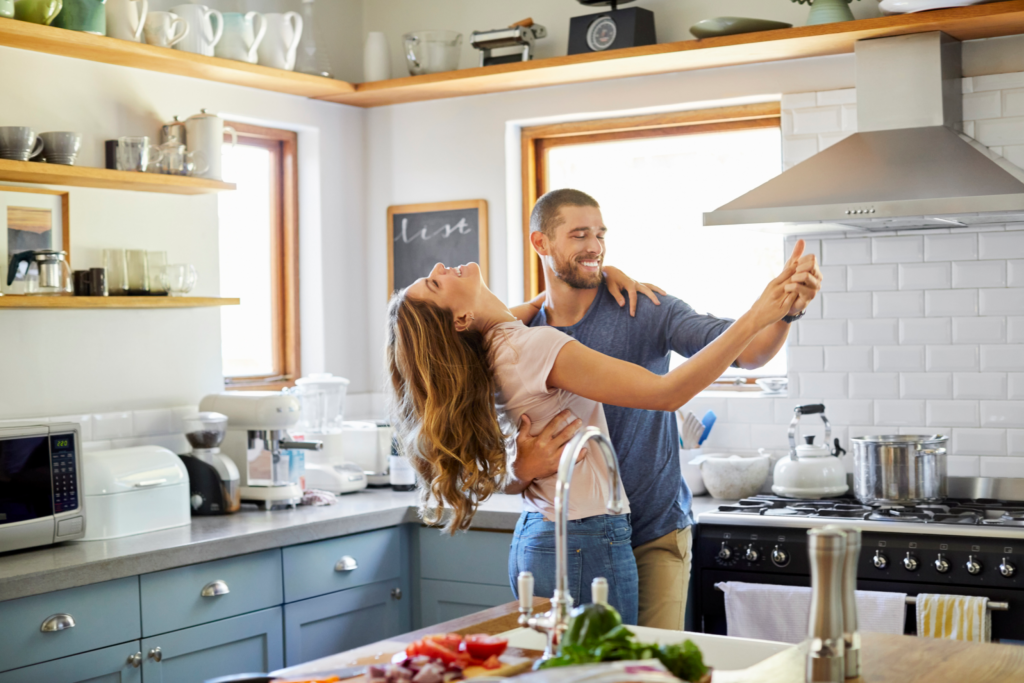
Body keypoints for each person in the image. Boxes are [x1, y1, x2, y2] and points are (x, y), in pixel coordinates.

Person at [385, 244, 810, 624]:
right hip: (583, 538)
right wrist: (759, 312)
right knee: (612, 674)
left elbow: (507, 316)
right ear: (460, 318)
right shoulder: (533, 346)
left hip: (543, 533)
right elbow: (667, 392)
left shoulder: (496, 350)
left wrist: (600, 276)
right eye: (434, 283)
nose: (440, 266)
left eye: (597, 235)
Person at [509, 188, 822, 630]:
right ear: (541, 243)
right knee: (576, 671)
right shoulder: (525, 330)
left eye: (600, 234)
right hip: (571, 540)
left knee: (651, 668)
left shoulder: (644, 308)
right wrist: (520, 468)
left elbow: (747, 352)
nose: (594, 247)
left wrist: (787, 313)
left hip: (654, 532)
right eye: (579, 235)